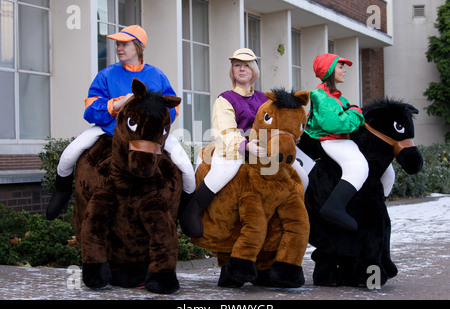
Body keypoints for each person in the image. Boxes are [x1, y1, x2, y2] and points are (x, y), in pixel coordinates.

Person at [46, 25, 195, 220]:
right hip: (109, 129)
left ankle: (186, 212)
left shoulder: (157, 76)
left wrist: (152, 119)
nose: (119, 48)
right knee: (67, 156)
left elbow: (172, 108)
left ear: (138, 46)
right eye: (117, 44)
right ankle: (62, 192)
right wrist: (117, 104)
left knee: (187, 168)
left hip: (149, 136)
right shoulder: (106, 74)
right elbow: (90, 109)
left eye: (124, 44)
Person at [179, 48, 308, 238]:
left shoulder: (266, 98)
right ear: (232, 71)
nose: (241, 69)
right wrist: (245, 145)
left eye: (246, 66)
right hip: (237, 147)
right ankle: (192, 209)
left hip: (267, 148)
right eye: (237, 65)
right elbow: (223, 129)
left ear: (253, 71)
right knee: (225, 170)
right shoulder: (225, 99)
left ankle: (299, 212)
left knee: (301, 174)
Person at [305, 53, 368, 231]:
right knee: (358, 166)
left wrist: (353, 113)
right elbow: (338, 124)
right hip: (330, 140)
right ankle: (334, 207)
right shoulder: (320, 95)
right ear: (330, 71)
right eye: (340, 67)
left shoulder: (338, 97)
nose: (344, 70)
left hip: (340, 140)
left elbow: (351, 117)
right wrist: (356, 112)